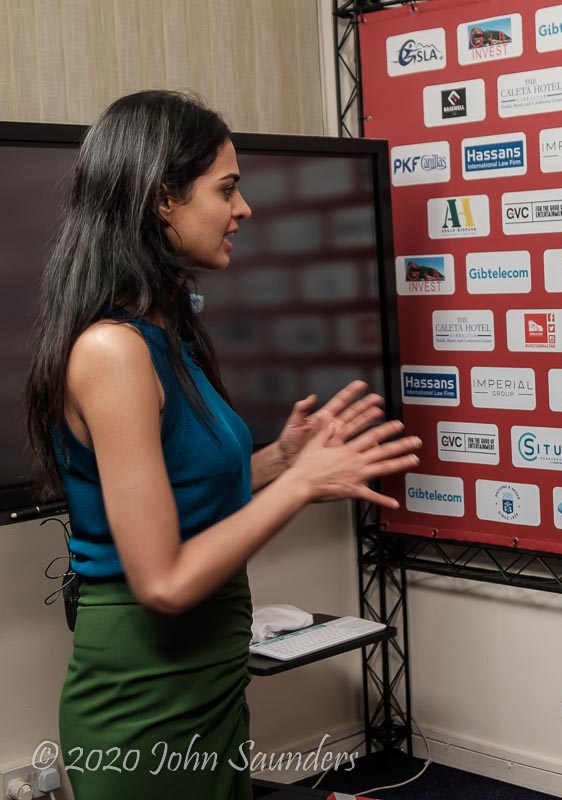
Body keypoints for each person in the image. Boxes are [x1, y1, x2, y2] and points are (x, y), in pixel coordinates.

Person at [23, 90, 422, 799]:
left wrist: (278, 462)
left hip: (208, 682)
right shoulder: (113, 351)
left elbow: (176, 487)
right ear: (162, 199)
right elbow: (164, 581)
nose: (244, 209)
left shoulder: (163, 337)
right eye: (226, 188)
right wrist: (299, 487)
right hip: (146, 704)